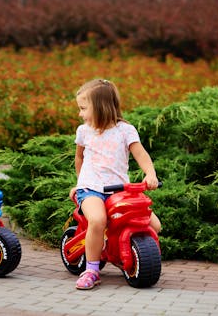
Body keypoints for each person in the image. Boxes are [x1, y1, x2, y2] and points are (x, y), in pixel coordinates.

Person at [69, 79, 161, 290]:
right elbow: (79, 159)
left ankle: (126, 251)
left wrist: (150, 174)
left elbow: (141, 154)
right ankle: (92, 269)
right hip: (91, 189)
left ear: (100, 107)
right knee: (98, 220)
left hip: (119, 190)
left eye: (83, 108)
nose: (80, 114)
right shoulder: (84, 131)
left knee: (154, 224)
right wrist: (80, 183)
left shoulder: (125, 130)